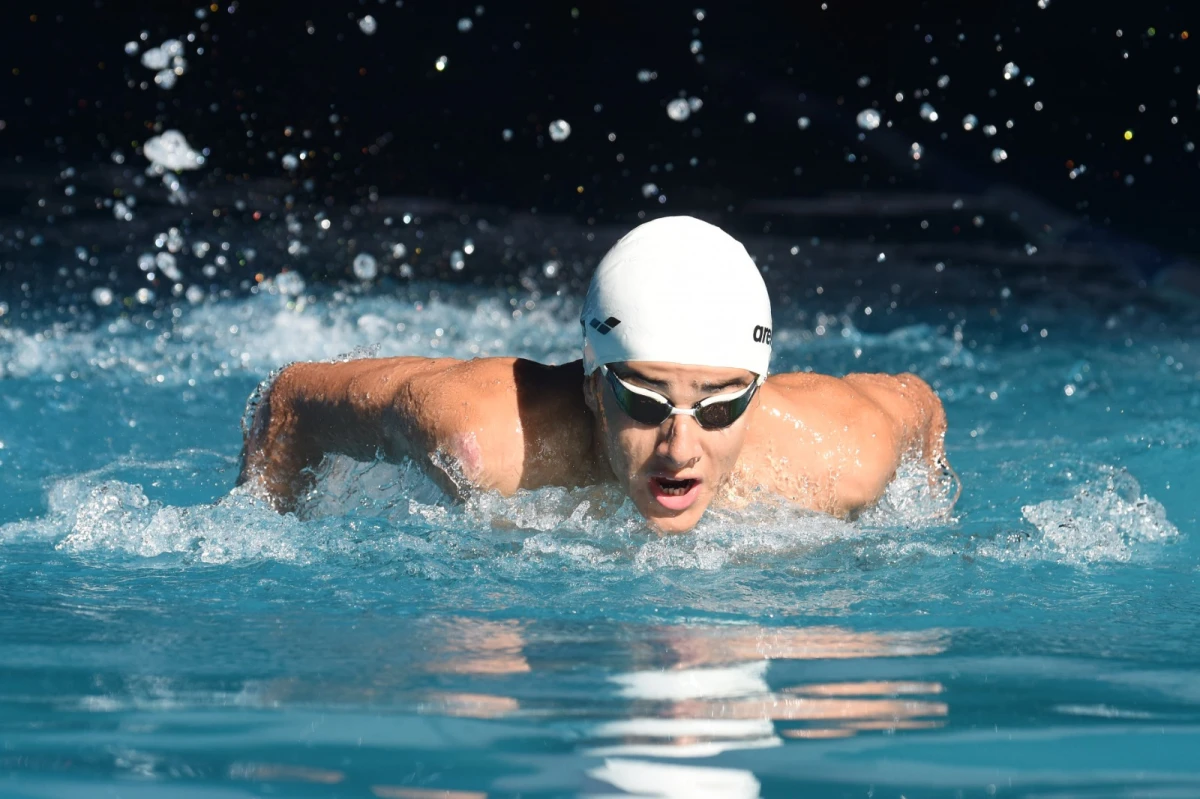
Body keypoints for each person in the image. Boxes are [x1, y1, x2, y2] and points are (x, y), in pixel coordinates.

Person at [239, 216, 952, 533]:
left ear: (756, 395)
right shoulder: (483, 438)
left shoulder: (842, 458)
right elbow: (292, 398)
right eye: (643, 401)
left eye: (719, 409)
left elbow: (919, 407)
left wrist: (923, 519)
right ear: (592, 387)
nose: (679, 448)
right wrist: (266, 546)